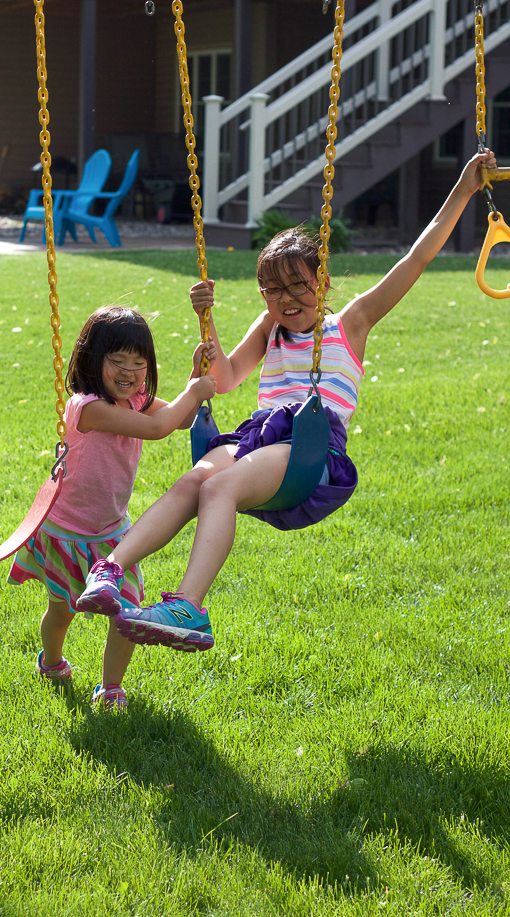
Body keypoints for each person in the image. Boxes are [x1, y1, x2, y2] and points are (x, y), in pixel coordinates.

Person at [82, 150, 497, 653]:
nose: (287, 299)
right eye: (273, 290)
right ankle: (109, 570)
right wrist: (206, 322)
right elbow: (227, 377)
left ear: (320, 281)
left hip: (310, 443)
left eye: (299, 284)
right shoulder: (270, 328)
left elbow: (417, 256)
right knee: (193, 481)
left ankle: (190, 607)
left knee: (220, 489)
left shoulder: (351, 324)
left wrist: (464, 187)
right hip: (260, 435)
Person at [8, 305, 216, 709]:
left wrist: (195, 376)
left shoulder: (137, 399)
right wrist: (193, 392)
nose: (129, 372)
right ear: (91, 359)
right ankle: (51, 662)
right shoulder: (87, 407)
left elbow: (180, 420)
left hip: (112, 536)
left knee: (129, 613)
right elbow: (159, 428)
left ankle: (111, 686)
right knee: (61, 609)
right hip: (67, 532)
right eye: (117, 361)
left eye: (139, 363)